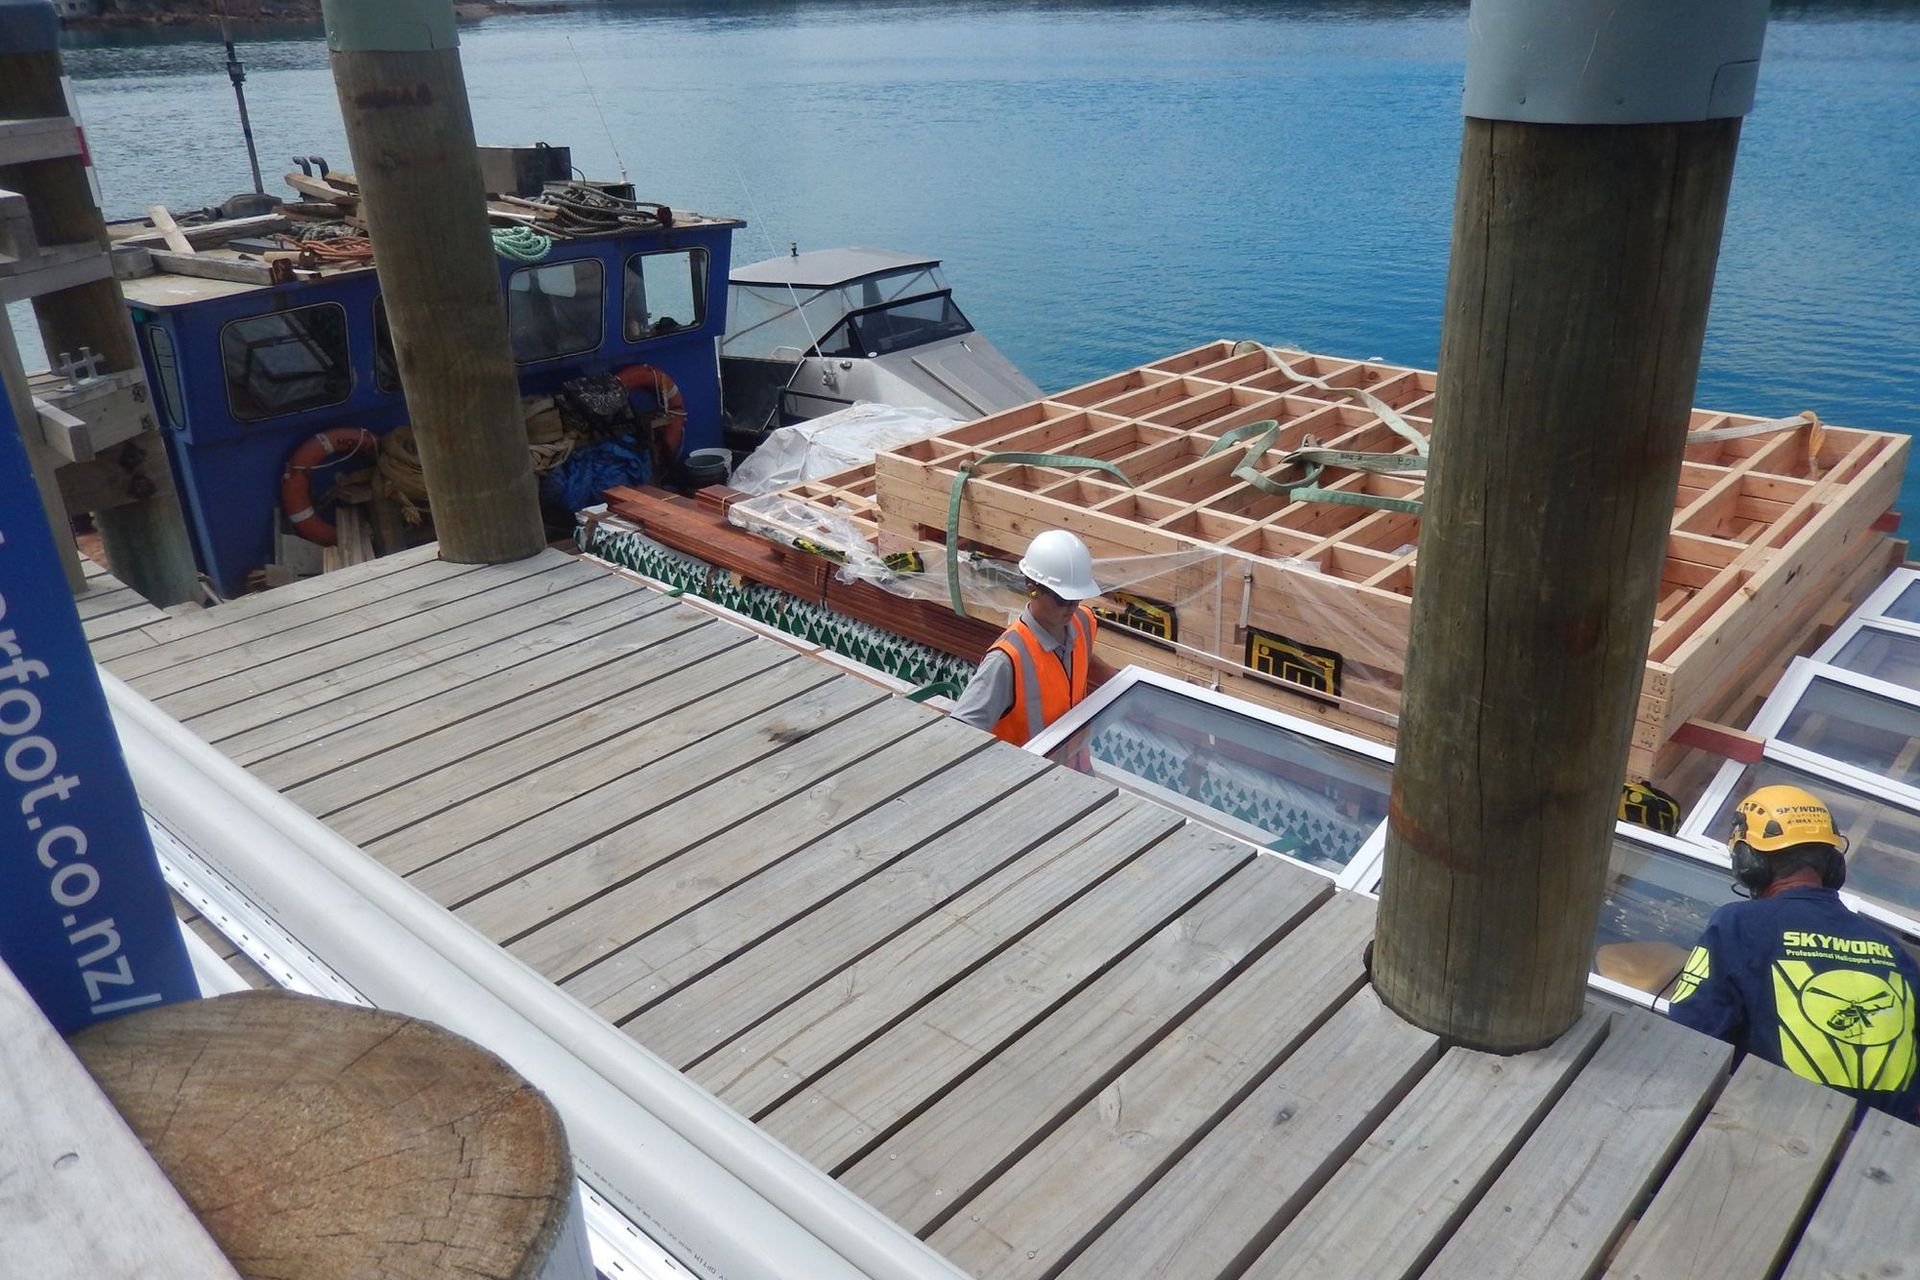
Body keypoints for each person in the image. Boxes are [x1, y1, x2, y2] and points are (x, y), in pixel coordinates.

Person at [1668, 784, 1920, 1120]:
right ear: (1833, 864)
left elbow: (1688, 1039)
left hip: (1764, 1134)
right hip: (1873, 1160)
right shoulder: (1895, 953)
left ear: (1748, 862)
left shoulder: (1738, 925)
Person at [949, 530, 1117, 746]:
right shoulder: (1006, 660)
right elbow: (960, 733)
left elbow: (1081, 661)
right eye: (1062, 599)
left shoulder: (1081, 621)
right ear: (1033, 590)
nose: (1071, 607)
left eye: (1076, 598)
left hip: (1074, 771)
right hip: (1029, 777)